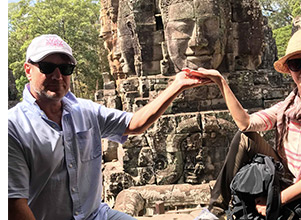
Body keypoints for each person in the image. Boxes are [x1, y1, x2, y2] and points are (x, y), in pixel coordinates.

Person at [8, 34, 209, 220]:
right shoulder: (13, 127)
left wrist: (177, 85)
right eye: (47, 67)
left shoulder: (86, 111)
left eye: (66, 69)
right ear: (28, 70)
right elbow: (14, 204)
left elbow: (135, 124)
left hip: (95, 215)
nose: (58, 76)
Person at [190, 28, 301, 219]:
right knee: (245, 138)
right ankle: (214, 211)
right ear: (290, 69)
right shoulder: (288, 106)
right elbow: (246, 124)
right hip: (287, 184)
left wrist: (275, 200)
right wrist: (220, 82)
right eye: (296, 64)